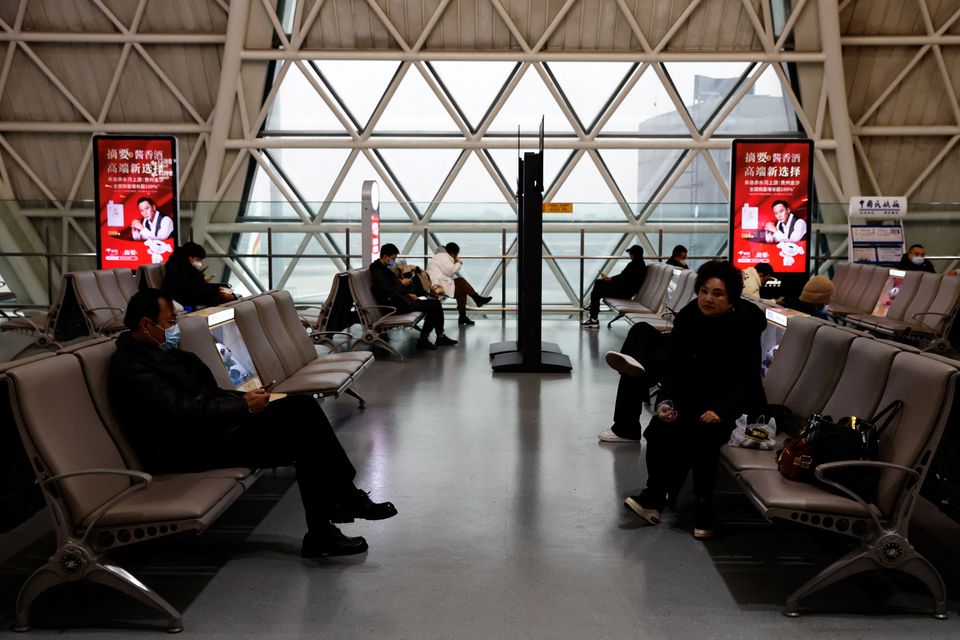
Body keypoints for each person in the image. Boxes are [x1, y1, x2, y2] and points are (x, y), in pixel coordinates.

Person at [109, 289, 396, 558]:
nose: (175, 329)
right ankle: (335, 514)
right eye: (170, 322)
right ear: (147, 324)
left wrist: (245, 399)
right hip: (186, 449)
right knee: (304, 434)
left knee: (302, 408)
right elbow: (183, 411)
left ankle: (333, 517)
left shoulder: (160, 354)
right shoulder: (133, 368)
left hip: (207, 431)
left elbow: (207, 396)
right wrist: (243, 406)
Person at [601, 261, 766, 539]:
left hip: (733, 402)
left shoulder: (744, 327)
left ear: (732, 299)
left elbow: (745, 380)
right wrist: (666, 402)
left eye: (717, 294)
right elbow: (676, 369)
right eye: (703, 291)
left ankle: (704, 507)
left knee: (703, 432)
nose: (708, 299)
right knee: (659, 429)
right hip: (695, 394)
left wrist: (722, 411)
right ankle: (653, 498)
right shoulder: (689, 318)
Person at [371, 243, 457, 350]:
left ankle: (435, 337)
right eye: (393, 258)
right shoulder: (379, 272)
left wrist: (407, 294)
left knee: (434, 304)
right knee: (434, 305)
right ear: (385, 257)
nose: (393, 261)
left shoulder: (382, 269)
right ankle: (429, 338)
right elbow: (388, 291)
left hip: (398, 301)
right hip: (395, 305)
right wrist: (403, 288)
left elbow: (391, 288)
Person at [426, 242, 492, 326]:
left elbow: (447, 273)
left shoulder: (441, 256)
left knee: (461, 289)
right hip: (437, 287)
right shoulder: (444, 256)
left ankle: (463, 315)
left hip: (438, 283)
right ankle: (477, 299)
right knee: (460, 281)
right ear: (453, 253)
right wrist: (458, 262)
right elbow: (450, 271)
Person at [581, 245, 648, 328]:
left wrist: (610, 279)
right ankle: (593, 308)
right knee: (598, 283)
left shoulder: (634, 265)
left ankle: (593, 317)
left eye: (630, 254)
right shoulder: (640, 265)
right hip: (624, 290)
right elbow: (624, 278)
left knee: (597, 290)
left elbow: (622, 278)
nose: (630, 256)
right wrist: (610, 279)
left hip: (623, 293)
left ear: (633, 255)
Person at [162, 241, 236, 309]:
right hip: (179, 295)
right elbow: (182, 284)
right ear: (190, 257)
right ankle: (227, 301)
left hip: (189, 291)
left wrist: (201, 279)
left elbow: (192, 281)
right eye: (198, 259)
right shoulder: (177, 266)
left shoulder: (186, 265)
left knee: (221, 287)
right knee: (210, 293)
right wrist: (201, 279)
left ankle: (228, 296)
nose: (200, 262)